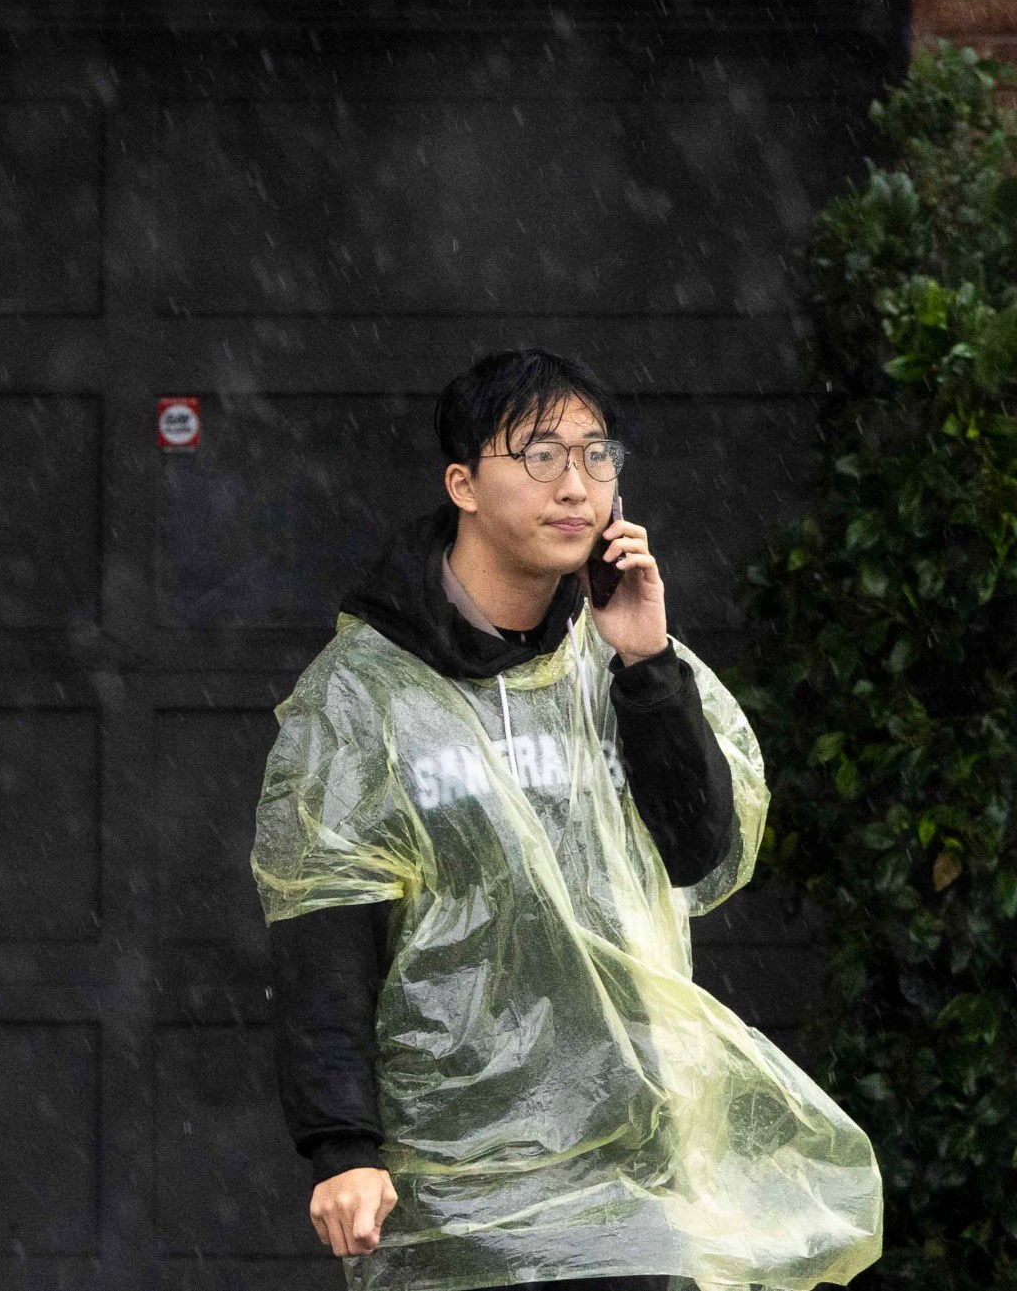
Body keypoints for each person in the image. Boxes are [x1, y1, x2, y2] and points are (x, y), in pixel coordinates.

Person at [253, 351, 883, 1291]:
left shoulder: (618, 656)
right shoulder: (366, 697)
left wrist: (647, 665)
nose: (577, 485)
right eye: (540, 455)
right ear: (461, 483)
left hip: (637, 1153)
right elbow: (325, 934)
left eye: (597, 454)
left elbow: (698, 851)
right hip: (457, 1168)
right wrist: (342, 1145)